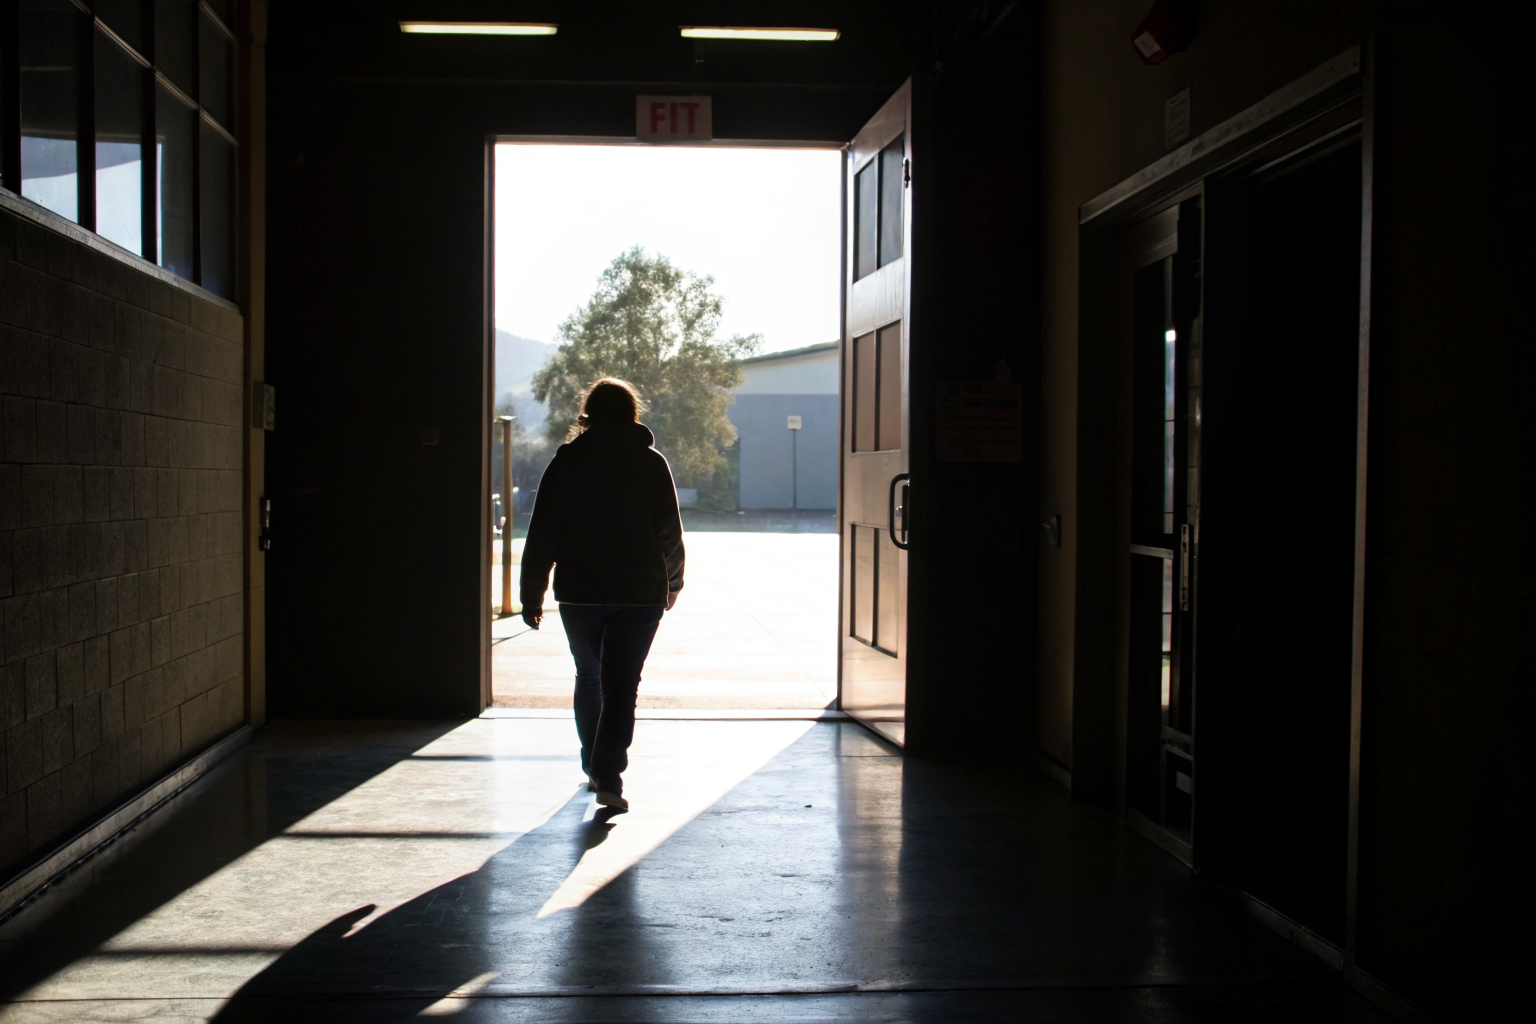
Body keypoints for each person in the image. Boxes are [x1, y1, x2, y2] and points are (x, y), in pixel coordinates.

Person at [519, 378, 685, 811]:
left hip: (580, 591)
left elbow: (543, 534)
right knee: (621, 685)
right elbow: (669, 531)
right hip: (639, 591)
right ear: (632, 413)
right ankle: (608, 775)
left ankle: (593, 766)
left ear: (588, 414)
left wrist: (531, 594)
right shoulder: (651, 463)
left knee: (589, 678)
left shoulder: (568, 461)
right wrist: (674, 582)